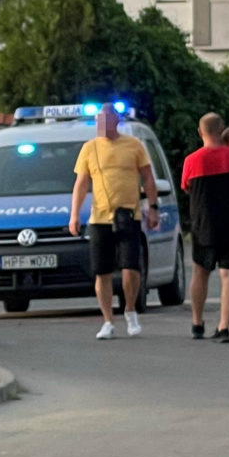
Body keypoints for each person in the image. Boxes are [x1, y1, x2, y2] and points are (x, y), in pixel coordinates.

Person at [68, 105, 160, 340]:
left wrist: (153, 208)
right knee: (102, 271)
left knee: (131, 267)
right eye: (99, 122)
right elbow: (81, 183)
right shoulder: (90, 148)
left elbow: (148, 177)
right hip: (100, 217)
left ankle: (130, 309)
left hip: (128, 215)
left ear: (115, 121)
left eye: (106, 121)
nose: (102, 126)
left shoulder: (133, 145)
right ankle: (108, 320)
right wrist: (75, 214)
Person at [181, 113, 229, 343]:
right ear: (222, 130)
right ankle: (223, 327)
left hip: (203, 223)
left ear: (200, 132)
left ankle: (197, 322)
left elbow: (186, 188)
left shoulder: (192, 160)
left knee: (200, 272)